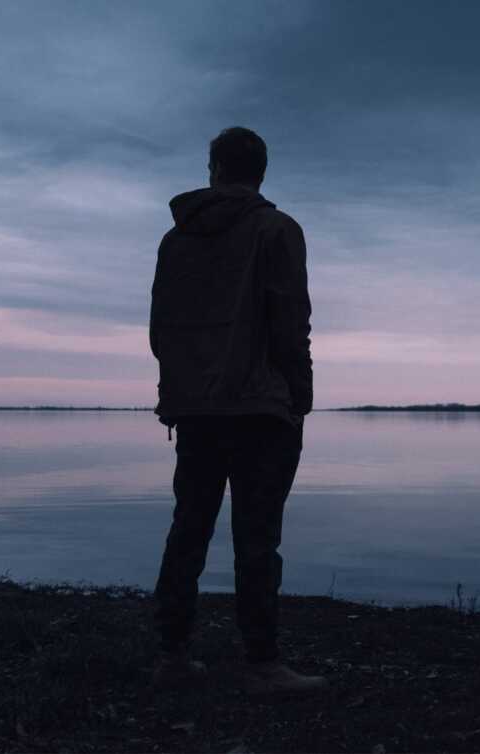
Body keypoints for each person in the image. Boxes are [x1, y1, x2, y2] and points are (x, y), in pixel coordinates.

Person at [148, 126, 327, 696]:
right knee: (256, 538)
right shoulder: (278, 230)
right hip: (259, 409)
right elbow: (289, 322)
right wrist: (300, 396)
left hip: (196, 408)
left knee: (188, 529)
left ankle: (171, 654)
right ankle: (261, 663)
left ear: (214, 170)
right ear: (261, 172)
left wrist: (179, 392)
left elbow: (162, 330)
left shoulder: (176, 241)